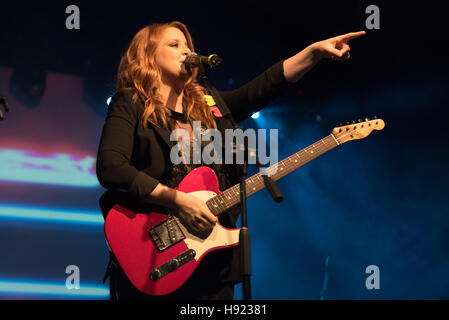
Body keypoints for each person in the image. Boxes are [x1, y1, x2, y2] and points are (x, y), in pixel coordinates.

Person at [96, 20, 365, 300]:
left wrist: (312, 53)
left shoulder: (208, 104)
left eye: (188, 46)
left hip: (212, 260)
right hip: (153, 253)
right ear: (148, 56)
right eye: (174, 45)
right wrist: (177, 201)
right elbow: (111, 168)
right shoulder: (130, 103)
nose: (185, 51)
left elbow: (260, 90)